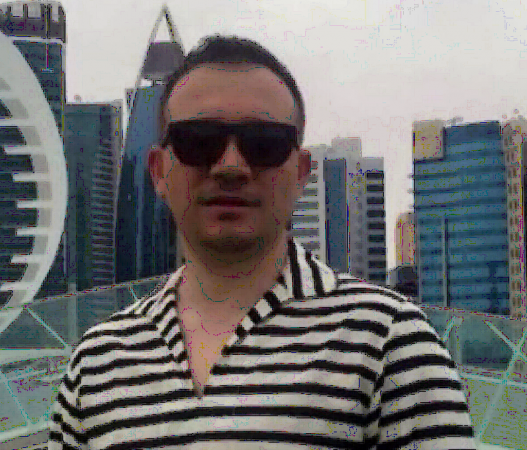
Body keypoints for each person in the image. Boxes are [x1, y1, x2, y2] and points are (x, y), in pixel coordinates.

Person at [49, 35, 476, 450]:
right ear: (159, 171)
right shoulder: (97, 363)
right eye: (199, 141)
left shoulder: (389, 342)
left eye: (264, 144)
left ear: (301, 173)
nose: (231, 166)